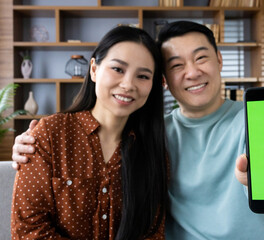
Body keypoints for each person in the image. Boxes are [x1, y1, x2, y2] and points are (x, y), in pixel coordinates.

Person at [12, 21, 264, 239]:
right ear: (164, 81)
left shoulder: (261, 121)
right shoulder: (153, 135)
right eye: (177, 65)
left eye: (201, 58)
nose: (192, 73)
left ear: (220, 60)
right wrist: (30, 144)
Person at [11, 26, 168, 240]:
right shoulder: (49, 134)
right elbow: (28, 230)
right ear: (94, 69)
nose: (128, 85)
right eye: (118, 69)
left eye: (142, 76)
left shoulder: (153, 148)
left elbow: (153, 233)